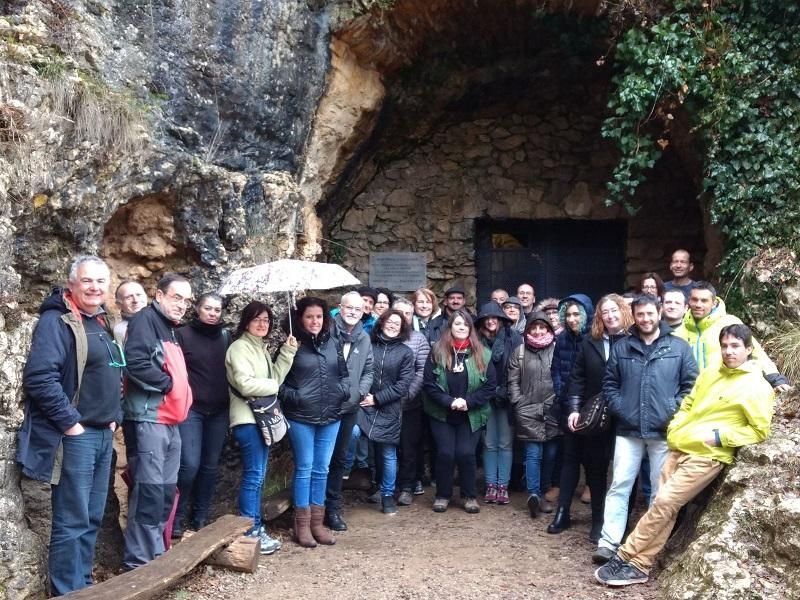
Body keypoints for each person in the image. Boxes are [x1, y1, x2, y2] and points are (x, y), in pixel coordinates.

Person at [595, 324, 775, 587]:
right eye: (724, 345)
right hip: (680, 445)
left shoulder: (756, 385)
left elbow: (759, 430)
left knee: (664, 502)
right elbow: (689, 402)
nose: (728, 351)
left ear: (749, 349)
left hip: (707, 455)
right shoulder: (712, 372)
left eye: (735, 346)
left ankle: (624, 554)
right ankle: (640, 565)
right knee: (664, 506)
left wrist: (720, 438)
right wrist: (676, 426)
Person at [18, 256, 122, 596]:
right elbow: (40, 378)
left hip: (102, 433)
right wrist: (71, 424)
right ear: (72, 284)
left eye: (100, 281)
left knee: (92, 518)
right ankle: (67, 592)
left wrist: (114, 417)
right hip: (77, 436)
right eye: (87, 281)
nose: (94, 287)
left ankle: (84, 586)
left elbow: (110, 374)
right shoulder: (57, 320)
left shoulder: (101, 320)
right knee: (72, 519)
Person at [592, 294, 698, 566]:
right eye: (640, 314)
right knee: (619, 486)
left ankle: (647, 544)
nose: (646, 319)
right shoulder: (623, 347)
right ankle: (608, 542)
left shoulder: (678, 347)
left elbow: (690, 387)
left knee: (659, 493)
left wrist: (670, 411)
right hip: (628, 429)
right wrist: (623, 409)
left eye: (650, 313)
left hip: (664, 431)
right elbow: (610, 384)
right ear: (634, 316)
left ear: (659, 312)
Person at [122, 272, 193, 570]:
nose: (182, 305)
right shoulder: (144, 321)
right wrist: (167, 385)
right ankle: (138, 563)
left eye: (187, 300)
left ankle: (156, 552)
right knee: (149, 491)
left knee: (164, 491)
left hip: (170, 422)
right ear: (159, 295)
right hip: (150, 420)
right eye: (177, 297)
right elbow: (135, 362)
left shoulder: (168, 326)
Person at [547, 294, 633, 541]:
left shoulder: (634, 340)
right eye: (605, 311)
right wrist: (574, 409)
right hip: (595, 413)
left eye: (614, 310)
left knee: (624, 470)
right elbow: (577, 379)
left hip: (626, 415)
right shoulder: (590, 342)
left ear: (623, 311)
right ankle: (598, 520)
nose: (610, 316)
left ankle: (621, 522)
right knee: (595, 467)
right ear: (599, 316)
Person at [225, 301, 296, 553]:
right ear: (246, 322)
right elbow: (245, 385)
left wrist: (287, 353)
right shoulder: (239, 348)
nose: (262, 324)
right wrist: (274, 387)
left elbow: (274, 378)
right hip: (247, 419)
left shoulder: (261, 348)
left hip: (260, 418)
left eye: (266, 320)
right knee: (254, 477)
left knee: (258, 476)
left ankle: (255, 528)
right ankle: (250, 531)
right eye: (257, 319)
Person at [280, 297, 350, 547]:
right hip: (302, 417)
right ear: (300, 318)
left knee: (322, 468)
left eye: (319, 316)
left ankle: (317, 523)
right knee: (305, 468)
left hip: (330, 415)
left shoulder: (333, 341)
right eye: (309, 316)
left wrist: (342, 391)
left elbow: (343, 374)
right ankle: (301, 525)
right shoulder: (291, 344)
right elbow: (279, 382)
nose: (315, 321)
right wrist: (297, 397)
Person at [423, 310, 497, 514]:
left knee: (465, 453)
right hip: (442, 413)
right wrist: (449, 401)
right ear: (450, 327)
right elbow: (429, 384)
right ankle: (443, 495)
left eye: (466, 325)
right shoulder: (437, 351)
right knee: (445, 453)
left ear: (471, 329)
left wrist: (468, 402)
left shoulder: (483, 353)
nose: (462, 327)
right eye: (457, 324)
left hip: (471, 414)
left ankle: (469, 495)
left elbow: (490, 386)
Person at [173, 293, 231, 538]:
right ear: (197, 308)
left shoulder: (226, 336)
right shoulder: (182, 335)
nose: (213, 313)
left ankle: (200, 517)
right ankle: (176, 518)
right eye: (208, 308)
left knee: (209, 466)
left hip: (219, 410)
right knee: (189, 465)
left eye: (217, 309)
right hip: (192, 409)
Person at [672, 282, 790, 392]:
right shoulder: (677, 332)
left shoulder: (729, 323)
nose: (698, 304)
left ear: (713, 303)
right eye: (695, 300)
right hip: (687, 396)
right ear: (689, 301)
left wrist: (775, 379)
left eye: (704, 301)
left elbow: (755, 353)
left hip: (725, 393)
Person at [355, 310, 415, 514]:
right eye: (389, 321)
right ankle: (347, 475)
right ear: (381, 323)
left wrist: (378, 399)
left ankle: (387, 494)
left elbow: (403, 385)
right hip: (364, 404)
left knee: (387, 453)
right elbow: (359, 372)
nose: (392, 325)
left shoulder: (406, 353)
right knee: (353, 435)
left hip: (388, 407)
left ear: (402, 328)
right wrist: (365, 396)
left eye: (397, 323)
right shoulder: (368, 346)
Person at [324, 291, 374, 532]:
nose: (354, 312)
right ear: (340, 308)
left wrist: (359, 393)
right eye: (349, 307)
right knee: (321, 459)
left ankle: (332, 509)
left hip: (350, 406)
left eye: (358, 308)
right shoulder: (326, 332)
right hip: (324, 405)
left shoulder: (364, 337)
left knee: (340, 459)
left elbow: (369, 370)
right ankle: (315, 508)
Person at [507, 311, 560, 517]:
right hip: (527, 410)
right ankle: (534, 495)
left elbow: (565, 376)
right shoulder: (519, 351)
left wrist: (559, 401)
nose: (538, 331)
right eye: (534, 327)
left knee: (551, 454)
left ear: (549, 329)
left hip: (553, 409)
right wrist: (518, 401)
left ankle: (545, 489)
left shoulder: (557, 349)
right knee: (533, 454)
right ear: (528, 329)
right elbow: (512, 380)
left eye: (542, 327)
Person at [474, 302, 521, 505]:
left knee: (505, 443)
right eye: (487, 318)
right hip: (484, 398)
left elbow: (519, 368)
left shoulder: (514, 338)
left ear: (501, 320)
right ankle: (490, 484)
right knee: (489, 443)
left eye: (495, 317)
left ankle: (503, 485)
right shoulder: (476, 339)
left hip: (506, 398)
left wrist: (506, 391)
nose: (491, 321)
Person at [549, 294, 594, 503]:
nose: (572, 319)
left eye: (576, 314)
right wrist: (561, 393)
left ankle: (590, 486)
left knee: (590, 449)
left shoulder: (594, 338)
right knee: (567, 449)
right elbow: (556, 368)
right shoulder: (562, 339)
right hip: (566, 401)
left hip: (590, 402)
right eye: (568, 315)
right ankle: (562, 485)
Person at [393, 298, 431, 506]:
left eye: (407, 313)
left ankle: (407, 486)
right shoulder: (381, 337)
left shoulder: (418, 339)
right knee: (388, 447)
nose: (402, 317)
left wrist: (406, 394)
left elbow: (422, 371)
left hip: (410, 403)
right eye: (398, 312)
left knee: (409, 446)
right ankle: (386, 485)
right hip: (386, 404)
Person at [113, 280, 147, 344]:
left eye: (139, 295)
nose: (136, 300)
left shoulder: (162, 320)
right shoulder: (120, 331)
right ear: (119, 304)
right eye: (128, 297)